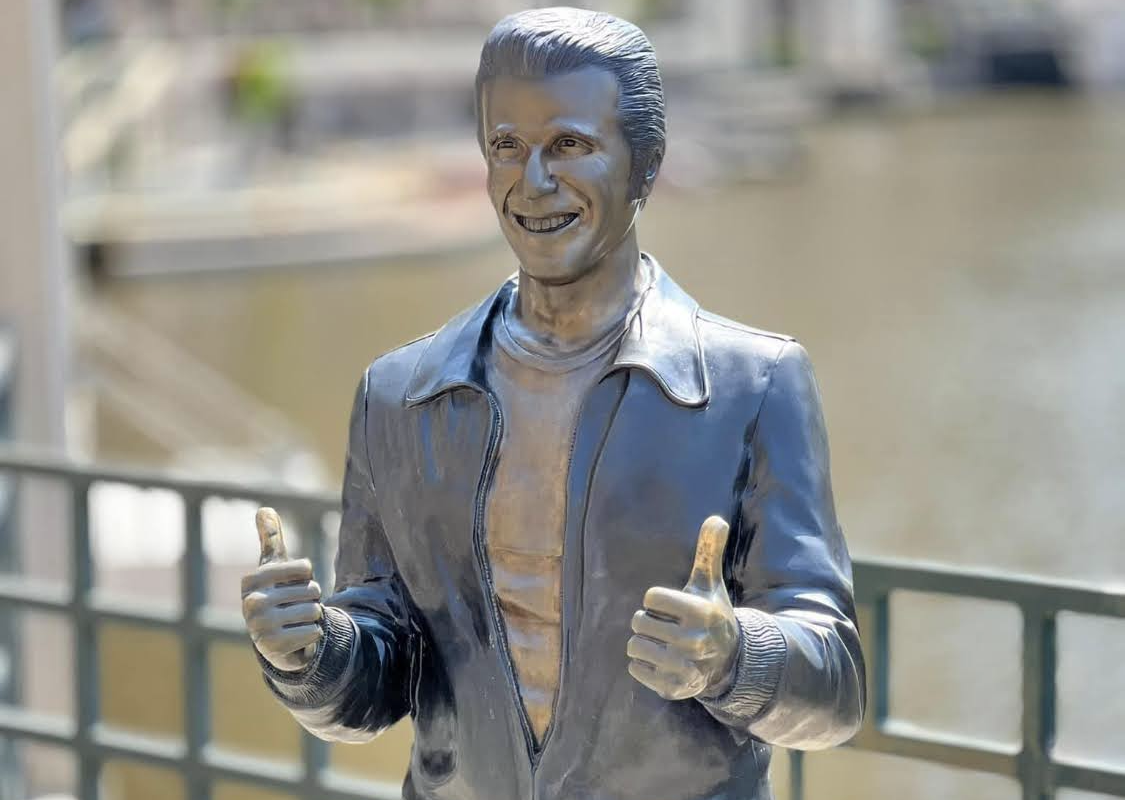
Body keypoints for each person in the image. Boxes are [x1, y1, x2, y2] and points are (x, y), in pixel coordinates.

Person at [240, 8, 865, 800]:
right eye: (508, 147)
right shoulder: (399, 395)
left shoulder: (755, 385)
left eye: (570, 145)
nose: (533, 182)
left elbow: (836, 687)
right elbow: (383, 672)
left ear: (645, 164)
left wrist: (734, 656)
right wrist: (311, 652)